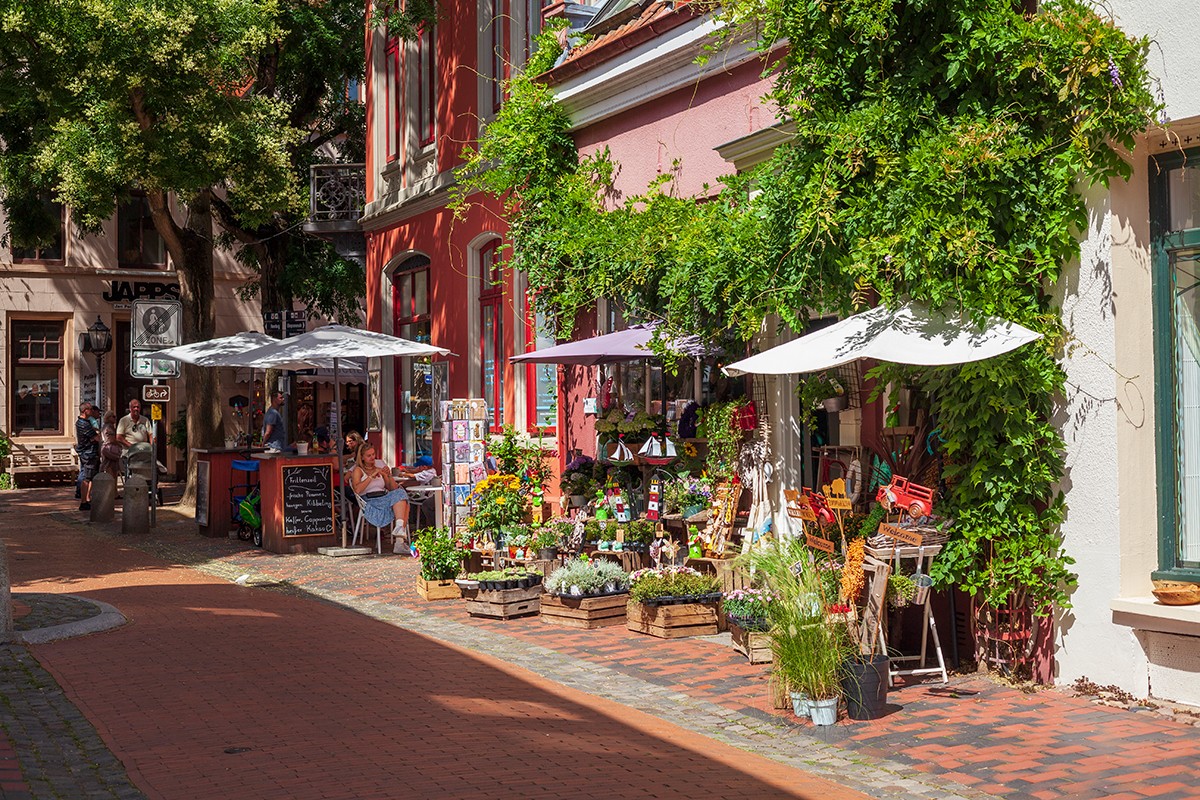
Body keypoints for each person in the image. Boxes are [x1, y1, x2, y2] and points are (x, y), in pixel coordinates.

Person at [348, 441, 409, 546]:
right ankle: (399, 541)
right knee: (405, 504)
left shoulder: (378, 467)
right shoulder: (358, 470)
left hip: (383, 497)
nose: (372, 458)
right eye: (369, 456)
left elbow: (393, 488)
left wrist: (387, 475)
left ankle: (399, 529)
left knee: (401, 495)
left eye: (373, 454)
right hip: (369, 501)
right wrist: (371, 476)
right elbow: (357, 490)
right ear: (362, 457)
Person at [74, 402, 99, 511]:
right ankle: (84, 501)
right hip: (87, 453)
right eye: (90, 409)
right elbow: (96, 437)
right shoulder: (83, 423)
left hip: (88, 452)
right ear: (85, 411)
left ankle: (87, 499)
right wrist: (94, 436)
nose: (92, 411)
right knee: (86, 478)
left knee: (89, 476)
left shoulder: (85, 422)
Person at [99, 411, 122, 480]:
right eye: (113, 417)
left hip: (106, 449)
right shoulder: (108, 427)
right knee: (111, 468)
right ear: (108, 418)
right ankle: (111, 487)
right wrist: (119, 444)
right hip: (110, 449)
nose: (115, 418)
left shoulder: (105, 426)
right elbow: (112, 439)